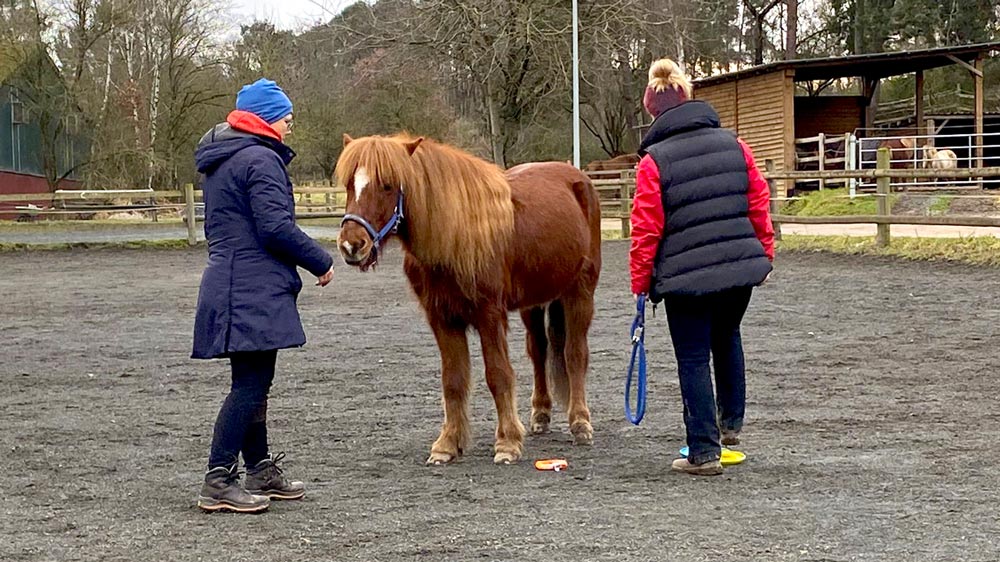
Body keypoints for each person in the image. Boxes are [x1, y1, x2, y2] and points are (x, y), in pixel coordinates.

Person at [192, 78, 335, 512]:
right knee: (250, 385)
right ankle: (218, 478)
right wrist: (319, 260)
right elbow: (274, 227)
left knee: (254, 382)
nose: (290, 128)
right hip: (251, 286)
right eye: (287, 120)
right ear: (268, 118)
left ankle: (258, 469)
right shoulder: (259, 159)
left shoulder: (227, 158)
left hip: (236, 280)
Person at [629, 59, 774, 476]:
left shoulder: (654, 161)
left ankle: (704, 451)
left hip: (685, 276)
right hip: (738, 271)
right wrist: (764, 256)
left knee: (692, 357)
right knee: (727, 335)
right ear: (689, 98)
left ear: (652, 111)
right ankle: (730, 423)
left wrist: (641, 283)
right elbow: (758, 202)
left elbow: (646, 230)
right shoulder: (736, 145)